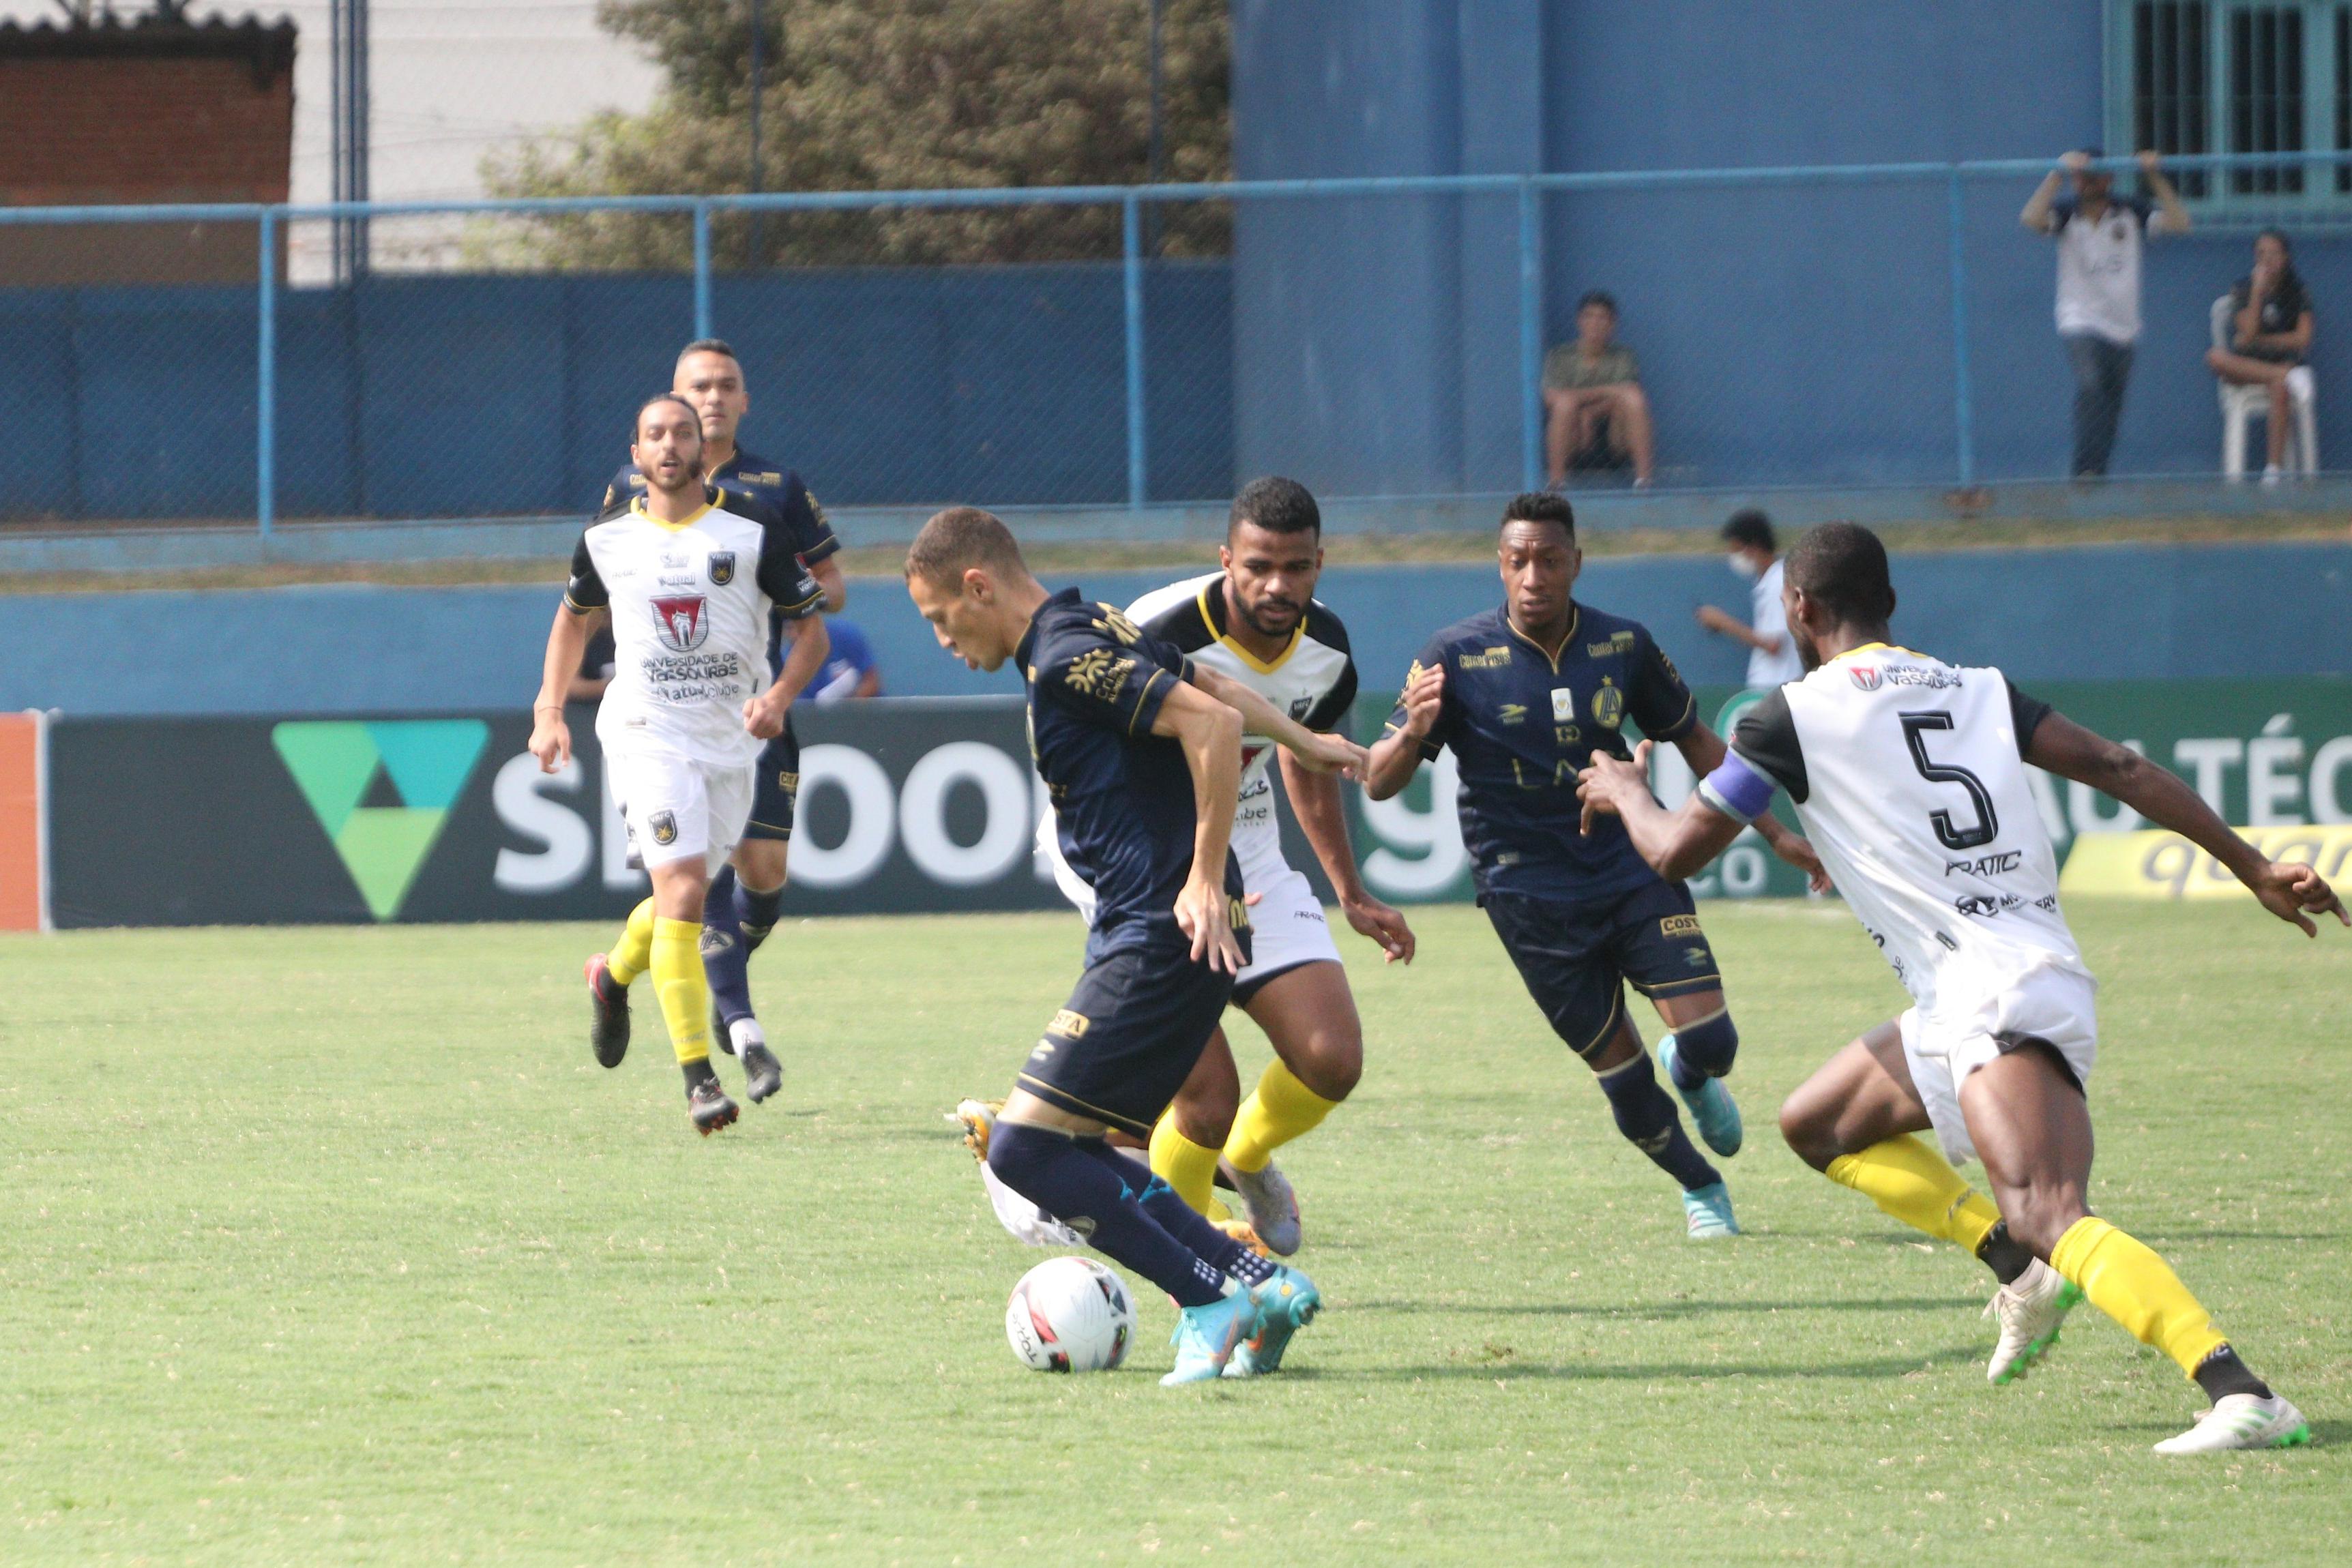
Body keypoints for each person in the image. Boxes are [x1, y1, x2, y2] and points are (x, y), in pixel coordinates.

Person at [1575, 521, 2344, 1455]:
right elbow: (2119, 765)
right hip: (1977, 982)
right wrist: (2253, 865)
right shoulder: (1979, 689)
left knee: (2053, 1206)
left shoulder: (1787, 716)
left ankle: (2239, 1387)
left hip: (1993, 988)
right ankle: (2017, 1272)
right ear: (1890, 603)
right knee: (1817, 1124)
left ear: (1799, 608)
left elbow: (1670, 850)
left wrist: (1621, 784)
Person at [902, 505, 1366, 1384]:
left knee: (1023, 1150)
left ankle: (1208, 1300)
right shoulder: (1096, 623)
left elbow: (1215, 727)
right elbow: (1219, 689)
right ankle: (1256, 1278)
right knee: (1083, 1144)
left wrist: (1200, 875)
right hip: (1152, 920)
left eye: (938, 616)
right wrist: (1308, 742)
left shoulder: (1063, 653)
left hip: (1157, 924)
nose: (941, 637)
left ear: (978, 586)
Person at [960, 477, 1415, 1286]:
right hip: (1145, 858)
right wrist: (1197, 875)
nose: (1277, 585)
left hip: (1241, 857)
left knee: (1330, 1057)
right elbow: (1192, 724)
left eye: (1297, 568)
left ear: (1320, 564)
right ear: (1225, 561)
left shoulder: (1328, 649)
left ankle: (1247, 1159)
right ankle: (1208, 1264)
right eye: (1258, 566)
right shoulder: (1156, 621)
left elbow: (1286, 749)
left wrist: (1347, 886)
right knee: (1201, 1096)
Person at [1364, 492, 1824, 1239]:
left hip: (1629, 865)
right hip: (1525, 895)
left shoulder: (1622, 645)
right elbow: (1378, 779)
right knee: (1623, 1077)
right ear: (1500, 566)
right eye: (1518, 560)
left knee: (1715, 1043)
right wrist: (1415, 729)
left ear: (1576, 563)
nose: (1533, 575)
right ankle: (1701, 1187)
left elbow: (1697, 742)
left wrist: (1773, 832)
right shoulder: (1451, 656)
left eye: (1549, 559)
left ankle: (1693, 1069)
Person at [531, 393, 830, 1134]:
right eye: (654, 435)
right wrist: (548, 711)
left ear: (703, 448)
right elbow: (571, 622)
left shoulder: (755, 529)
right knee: (687, 888)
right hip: (645, 731)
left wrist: (782, 695)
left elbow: (811, 635)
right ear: (635, 455)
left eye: (682, 433)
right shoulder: (606, 539)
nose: (669, 445)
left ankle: (613, 975)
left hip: (732, 742)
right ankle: (699, 1077)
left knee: (681, 901)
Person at [603, 339, 847, 1087]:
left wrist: (778, 585)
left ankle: (649, 976)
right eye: (696, 388)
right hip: (665, 720)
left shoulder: (774, 488)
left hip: (752, 707)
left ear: (744, 401)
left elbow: (831, 589)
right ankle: (725, 1028)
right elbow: (600, 580)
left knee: (764, 878)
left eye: (725, 387)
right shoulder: (628, 488)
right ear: (669, 404)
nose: (710, 399)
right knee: (686, 887)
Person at [2020, 149, 2190, 479]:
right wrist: (2057, 173)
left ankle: (2096, 475)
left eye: (2094, 176)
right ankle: (2083, 470)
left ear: (2109, 178)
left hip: (2124, 325)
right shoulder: (2066, 214)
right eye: (2081, 176)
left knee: (2111, 404)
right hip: (2079, 318)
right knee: (2090, 384)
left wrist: (2154, 175)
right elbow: (2031, 219)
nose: (2087, 183)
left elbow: (2181, 224)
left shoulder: (2131, 212)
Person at [2205, 228, 2316, 482]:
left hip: (2283, 363)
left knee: (2279, 387)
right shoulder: (2242, 289)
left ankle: (2273, 471)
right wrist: (2257, 291)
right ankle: (2285, 376)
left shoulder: (2297, 291)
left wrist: (2260, 340)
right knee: (2215, 357)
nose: (2267, 259)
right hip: (2247, 366)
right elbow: (2248, 329)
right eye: (2261, 253)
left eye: (2274, 253)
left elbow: (2303, 338)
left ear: (2286, 257)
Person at [1543, 292, 1655, 490]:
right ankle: (1556, 482)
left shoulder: (1623, 356)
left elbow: (1628, 392)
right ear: (1579, 321)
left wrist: (1588, 412)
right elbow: (1551, 397)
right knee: (1564, 405)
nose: (1595, 323)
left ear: (1612, 324)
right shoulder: (1561, 356)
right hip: (1575, 438)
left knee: (1633, 398)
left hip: (1614, 439)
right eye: (1589, 316)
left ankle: (1644, 480)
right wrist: (1608, 392)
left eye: (1602, 318)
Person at [1693, 508, 1803, 687]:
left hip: (1777, 689)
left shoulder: (1778, 582)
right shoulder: (1768, 582)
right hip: (1769, 689)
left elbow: (1774, 644)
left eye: (1736, 549)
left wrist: (1722, 622)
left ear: (1754, 546)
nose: (1733, 555)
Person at [798, 617, 882, 703]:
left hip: (868, 712)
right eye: (789, 629)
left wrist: (847, 709)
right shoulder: (792, 663)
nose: (795, 634)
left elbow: (872, 682)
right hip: (823, 715)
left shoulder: (845, 634)